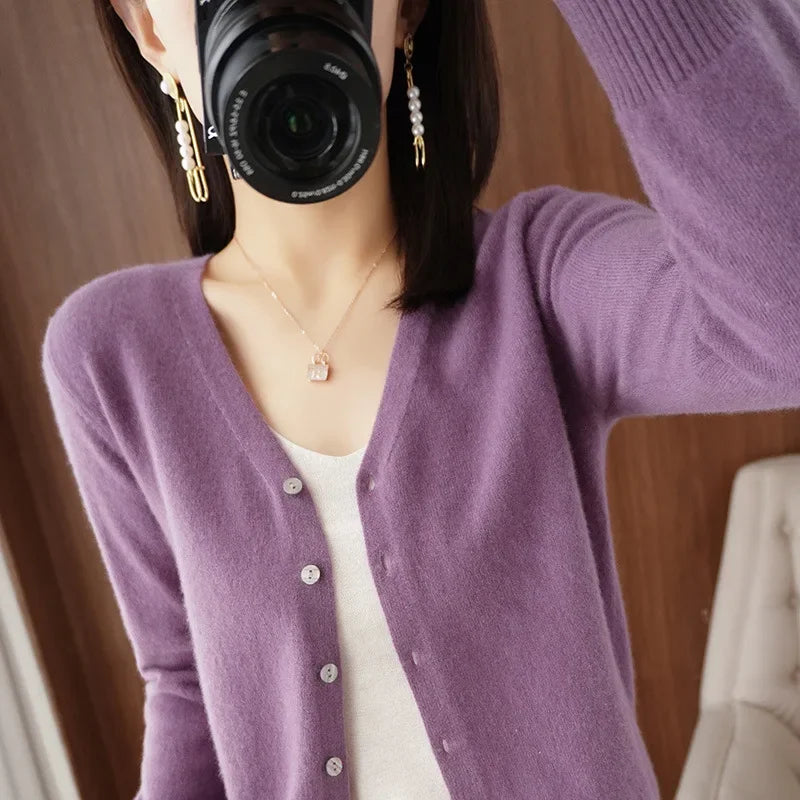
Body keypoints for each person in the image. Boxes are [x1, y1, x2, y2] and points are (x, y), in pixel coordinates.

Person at [40, 0, 800, 798]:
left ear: (405, 12)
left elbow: (782, 329)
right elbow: (186, 683)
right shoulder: (110, 355)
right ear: (149, 27)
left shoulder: (538, 277)